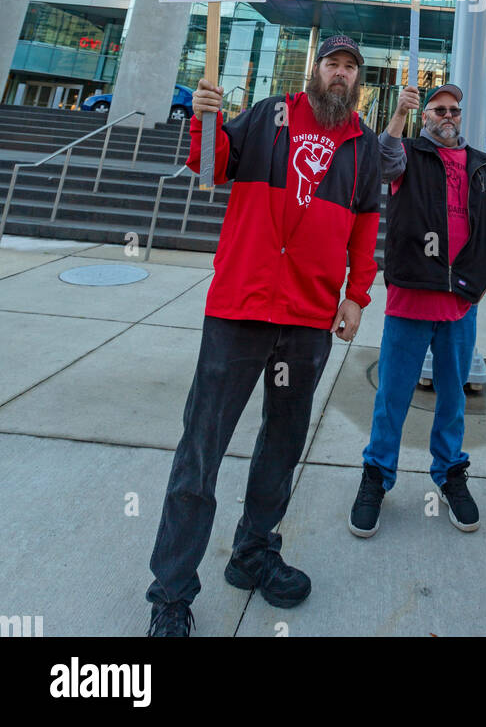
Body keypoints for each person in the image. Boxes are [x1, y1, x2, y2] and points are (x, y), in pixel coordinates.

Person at [146, 35, 381, 636]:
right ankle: (171, 593)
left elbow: (364, 226)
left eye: (350, 67)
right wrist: (206, 119)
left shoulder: (364, 146)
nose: (339, 73)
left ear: (359, 82)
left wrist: (356, 296)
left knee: (282, 443)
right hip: (241, 307)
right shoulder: (268, 115)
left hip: (307, 319)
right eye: (332, 63)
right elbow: (212, 168)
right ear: (315, 70)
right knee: (202, 448)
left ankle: (253, 552)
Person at [348, 83, 486, 537]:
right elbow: (380, 164)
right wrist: (399, 113)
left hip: (461, 302)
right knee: (392, 396)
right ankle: (377, 476)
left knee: (453, 397)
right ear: (426, 116)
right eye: (438, 109)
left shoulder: (482, 164)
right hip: (411, 298)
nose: (447, 116)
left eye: (454, 110)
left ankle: (450, 474)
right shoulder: (409, 154)